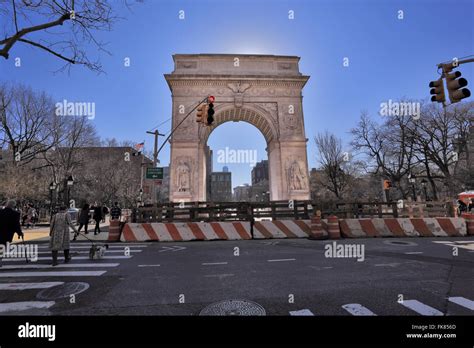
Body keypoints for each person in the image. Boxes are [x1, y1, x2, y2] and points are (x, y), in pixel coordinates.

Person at [0, 200, 24, 267]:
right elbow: (16, 225)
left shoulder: (0, 212)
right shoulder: (15, 214)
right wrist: (20, 233)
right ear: (13, 206)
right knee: (3, 247)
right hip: (8, 234)